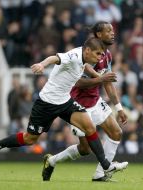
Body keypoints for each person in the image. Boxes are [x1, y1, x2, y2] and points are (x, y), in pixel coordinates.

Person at [0, 37, 128, 177]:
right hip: (47, 103)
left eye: (102, 54)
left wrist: (99, 77)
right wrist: (41, 64)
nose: (100, 57)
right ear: (88, 51)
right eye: (98, 54)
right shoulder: (73, 56)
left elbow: (85, 67)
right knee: (30, 139)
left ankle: (106, 166)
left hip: (65, 101)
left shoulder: (84, 57)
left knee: (89, 127)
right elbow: (54, 58)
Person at [42, 21, 128, 182]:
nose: (112, 33)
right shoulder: (85, 54)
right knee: (84, 149)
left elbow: (107, 82)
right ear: (98, 35)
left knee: (116, 132)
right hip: (77, 105)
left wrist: (119, 108)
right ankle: (52, 161)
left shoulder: (107, 55)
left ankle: (101, 173)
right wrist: (101, 78)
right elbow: (77, 82)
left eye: (113, 30)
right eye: (108, 30)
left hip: (95, 101)